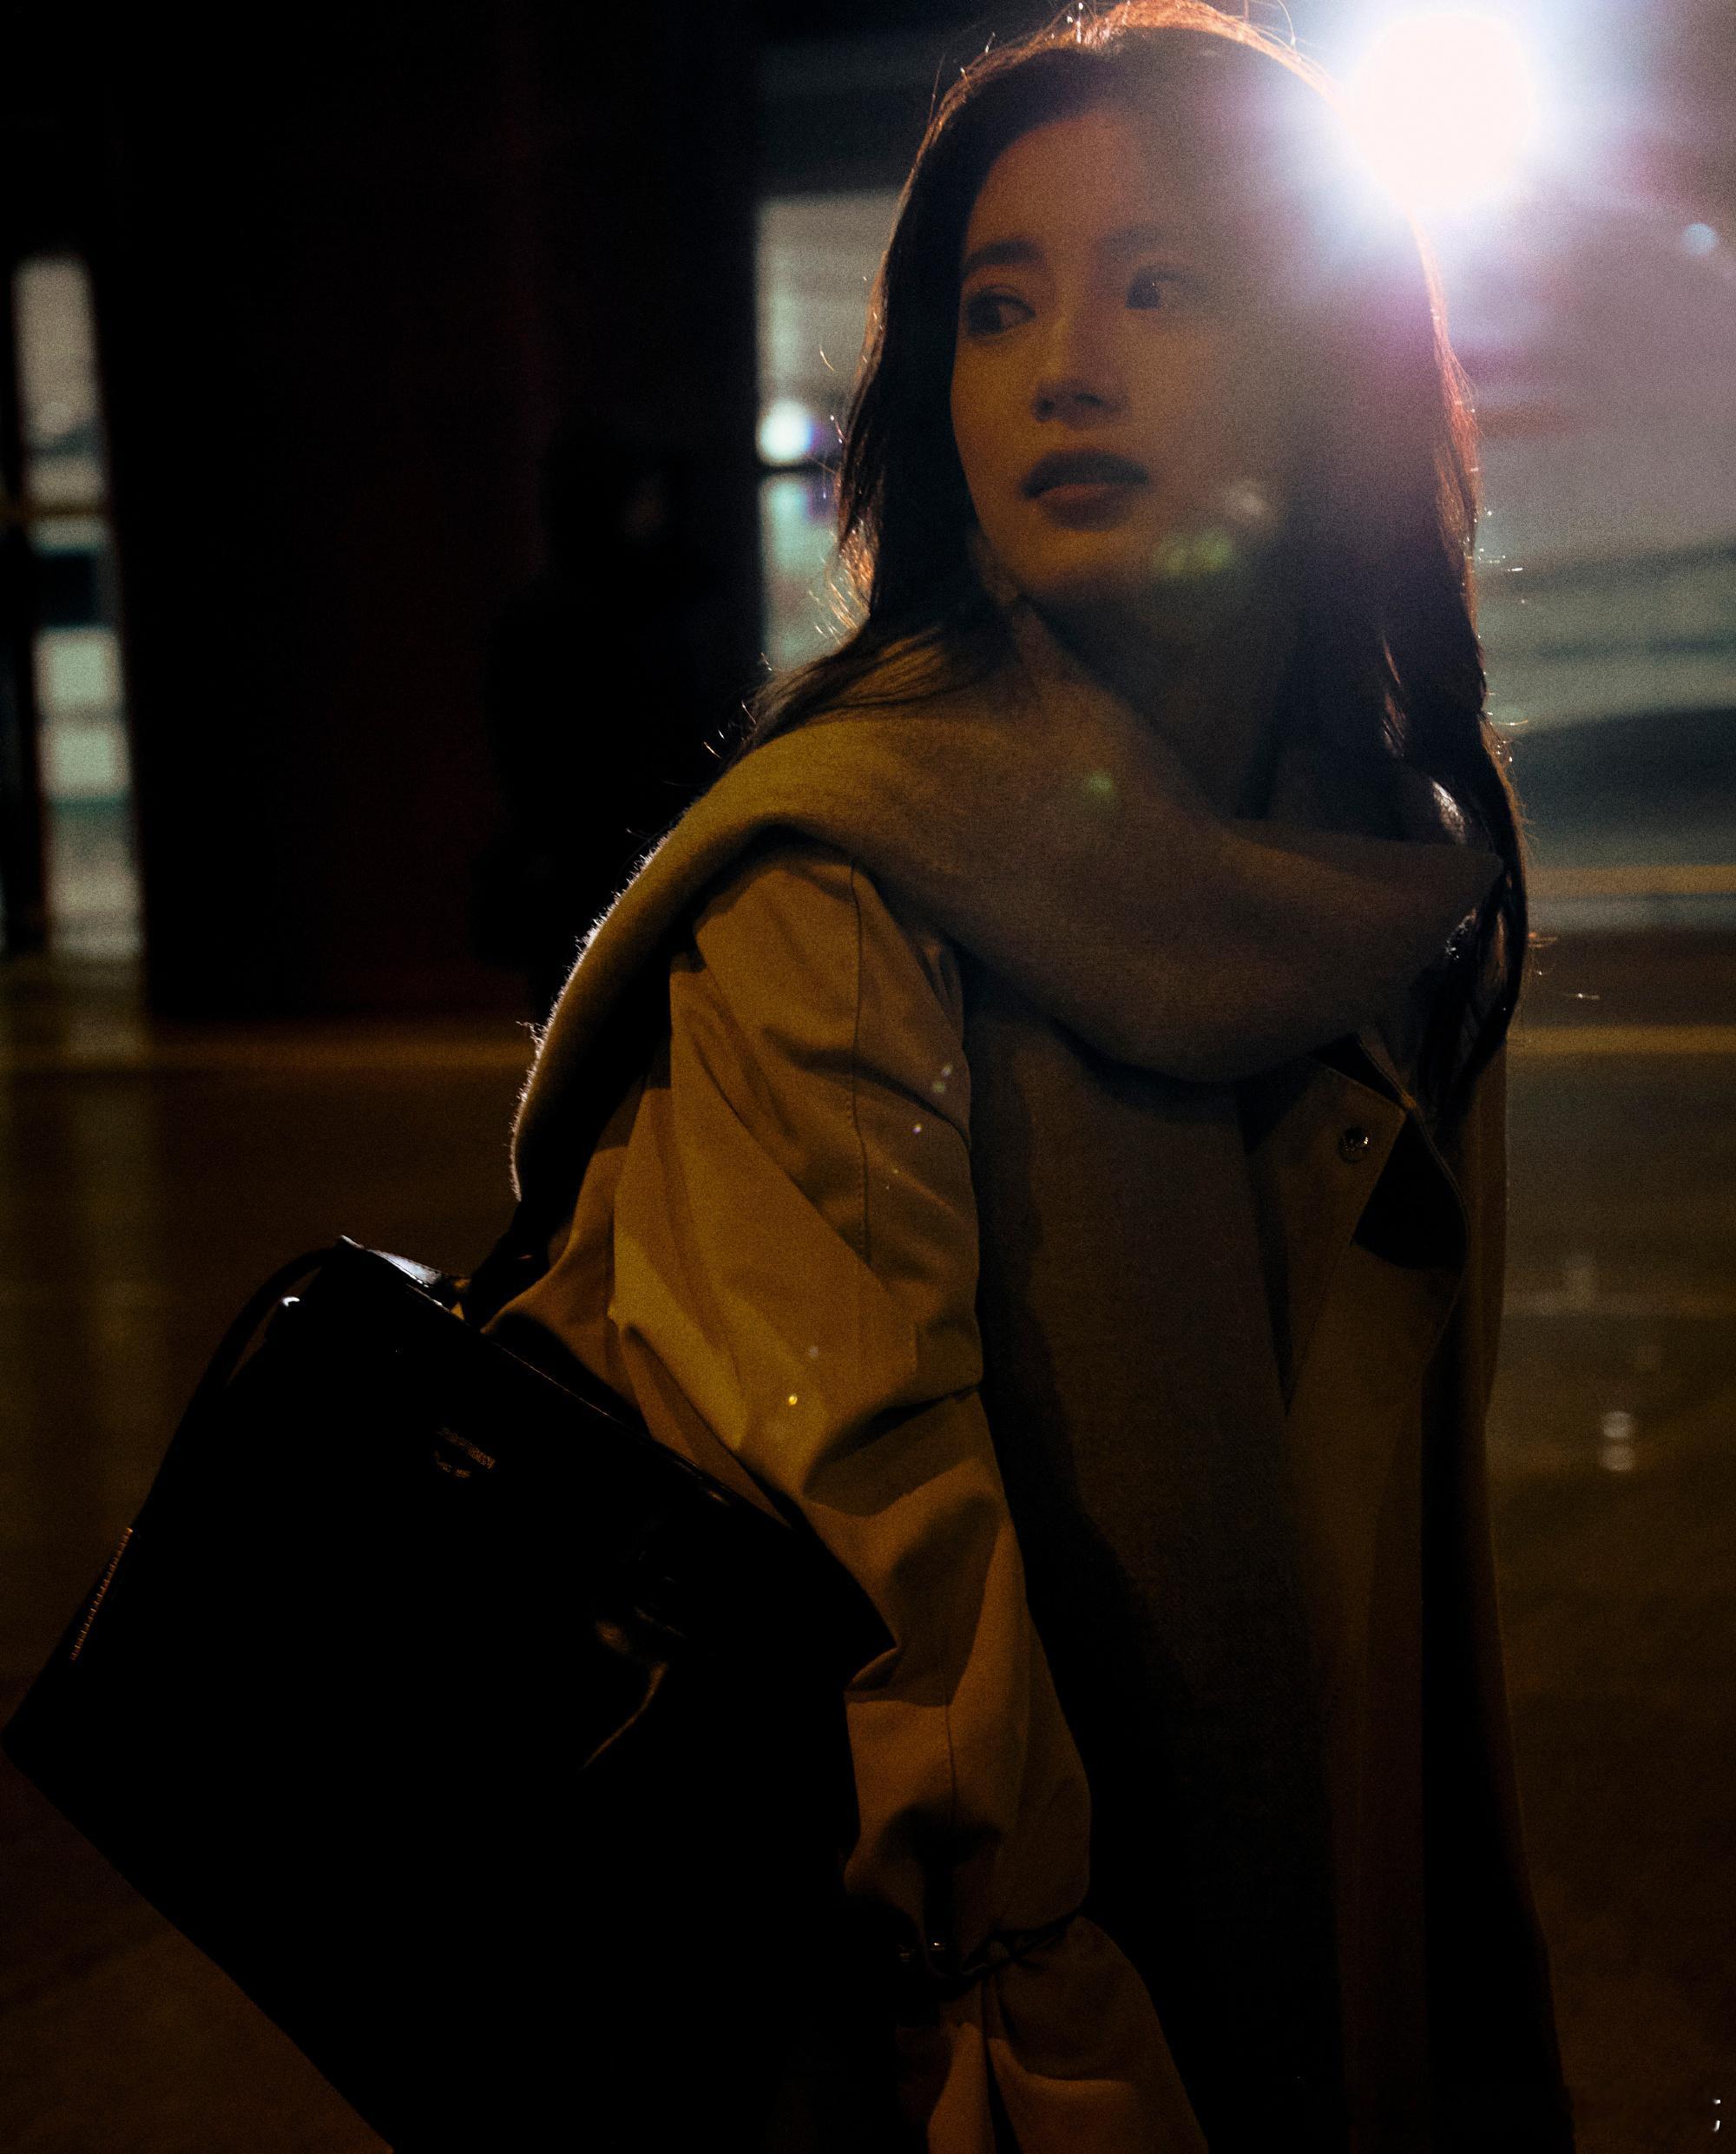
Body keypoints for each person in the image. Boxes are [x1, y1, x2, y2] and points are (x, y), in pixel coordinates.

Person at [489, 4, 1575, 2147]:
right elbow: (895, 1654)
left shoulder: (1384, 879)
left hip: (1334, 1941)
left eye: (1160, 286)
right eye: (998, 308)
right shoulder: (844, 880)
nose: (1065, 365)